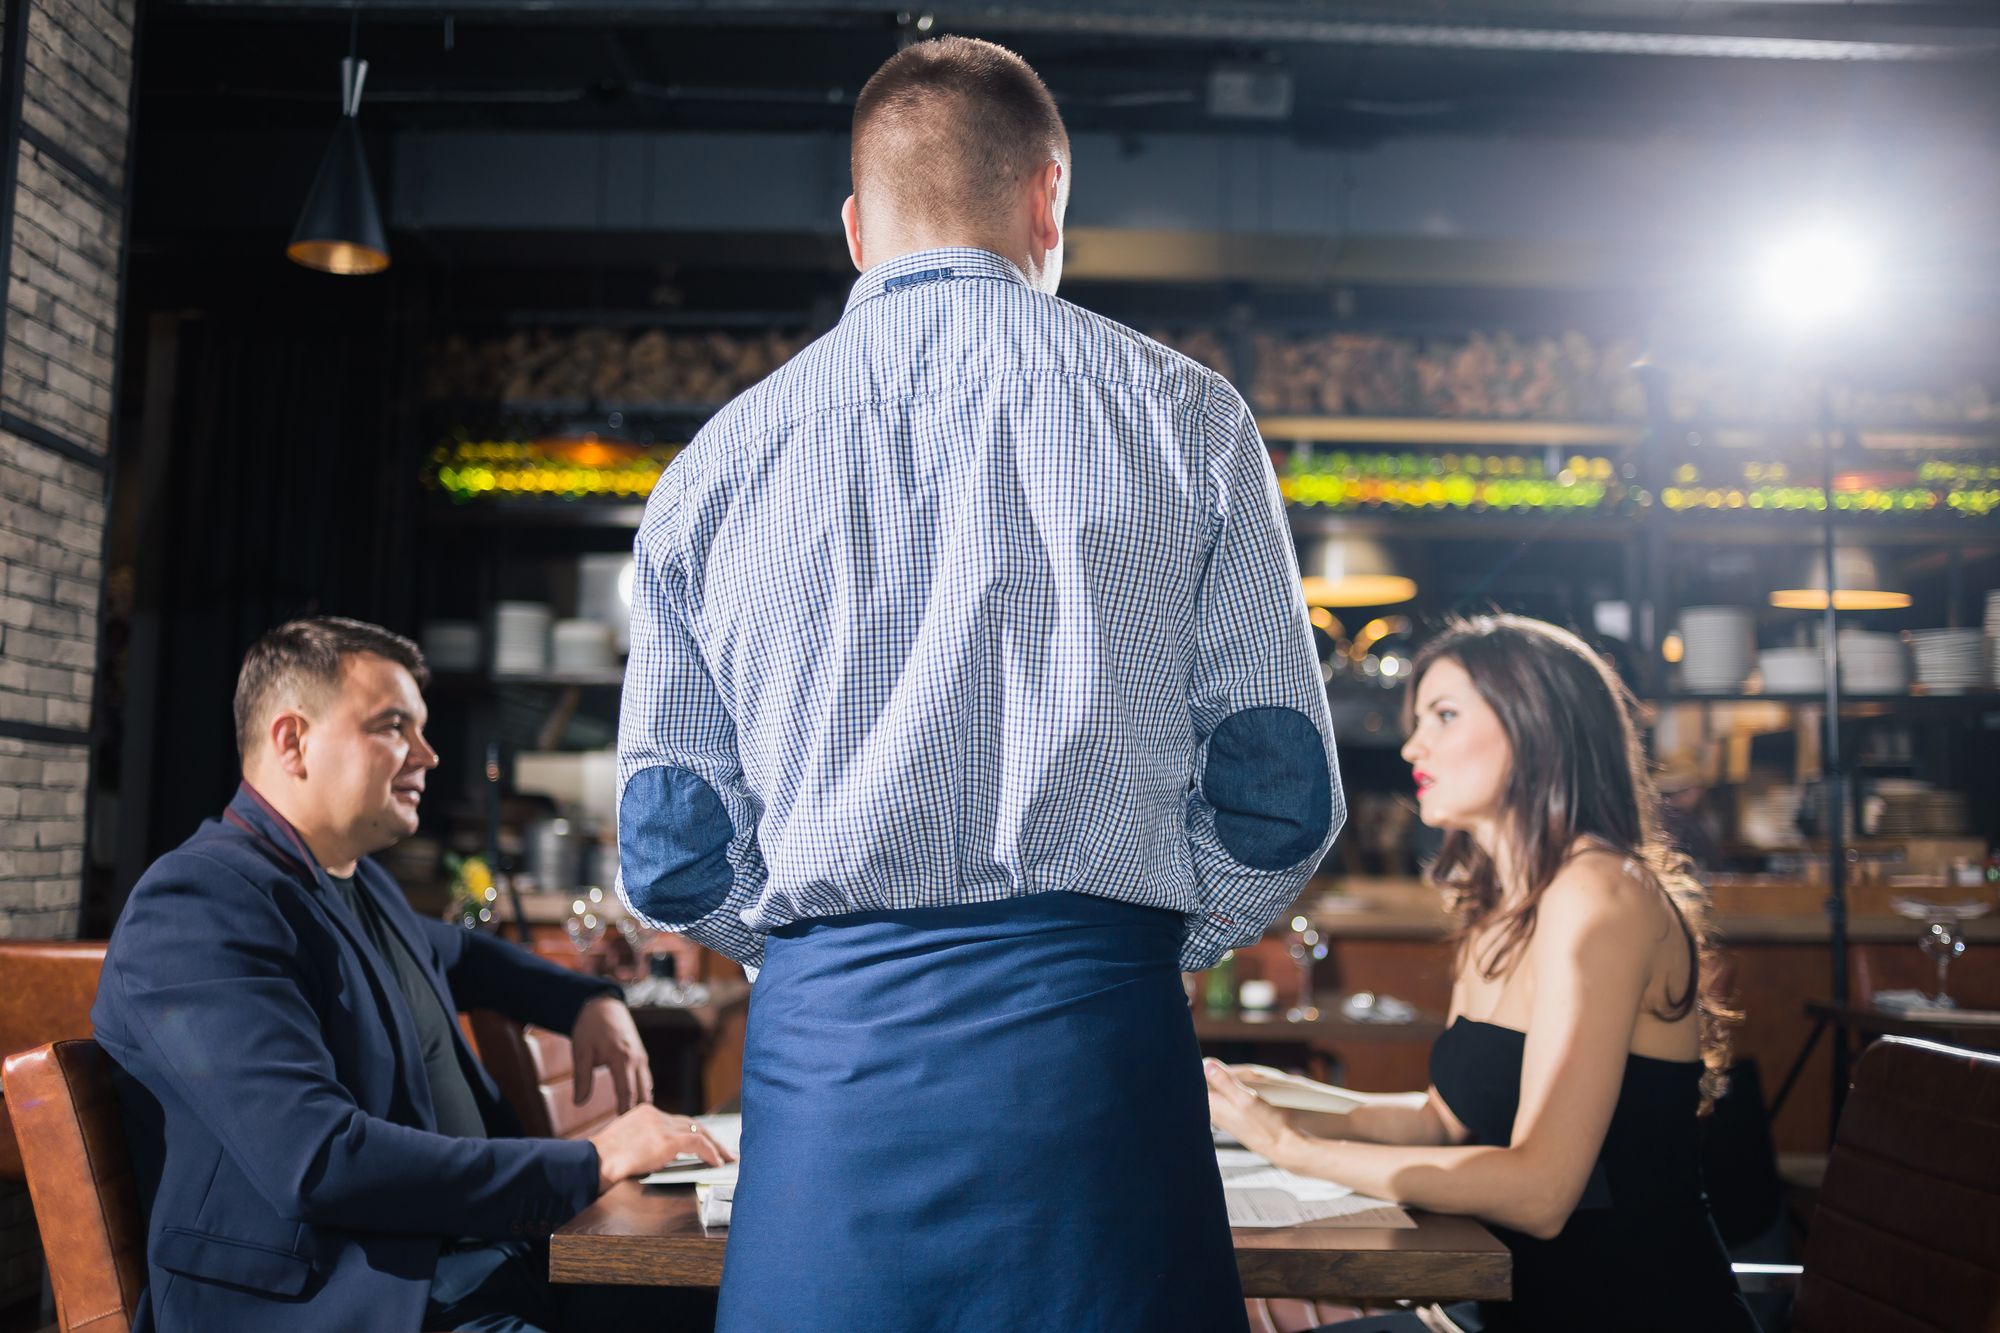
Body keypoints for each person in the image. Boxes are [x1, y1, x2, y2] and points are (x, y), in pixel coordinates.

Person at [615, 35, 1343, 1333]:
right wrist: (1140, 945)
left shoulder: (713, 471)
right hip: (1099, 1056)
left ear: (854, 226)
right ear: (1048, 196)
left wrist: (825, 955)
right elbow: (1281, 790)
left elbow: (672, 849)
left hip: (834, 1066)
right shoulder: (1188, 418)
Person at [92, 617, 732, 1333]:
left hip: (469, 1273)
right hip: (338, 1306)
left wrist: (586, 997)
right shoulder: (198, 904)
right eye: (393, 725)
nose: (427, 754)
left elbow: (459, 954)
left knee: (747, 1303)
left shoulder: (356, 885)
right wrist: (589, 1162)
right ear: (292, 740)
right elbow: (319, 1158)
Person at [1205, 614, 1757, 1333]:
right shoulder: (1501, 902)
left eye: (1444, 714)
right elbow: (1443, 1120)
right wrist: (1265, 1096)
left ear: (1538, 729)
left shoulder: (1601, 894)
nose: (1412, 745)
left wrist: (1297, 1148)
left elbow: (1542, 1190)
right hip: (1504, 1309)